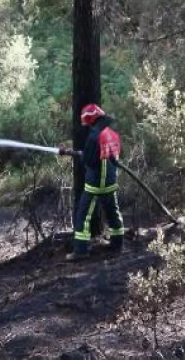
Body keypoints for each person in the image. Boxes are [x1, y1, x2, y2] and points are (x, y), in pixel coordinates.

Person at [61, 104, 124, 261]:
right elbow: (105, 155)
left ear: (90, 120)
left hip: (96, 184)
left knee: (83, 215)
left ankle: (80, 251)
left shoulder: (93, 137)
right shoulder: (112, 134)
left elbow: (90, 161)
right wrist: (73, 152)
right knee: (113, 212)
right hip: (110, 181)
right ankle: (117, 243)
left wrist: (81, 156)